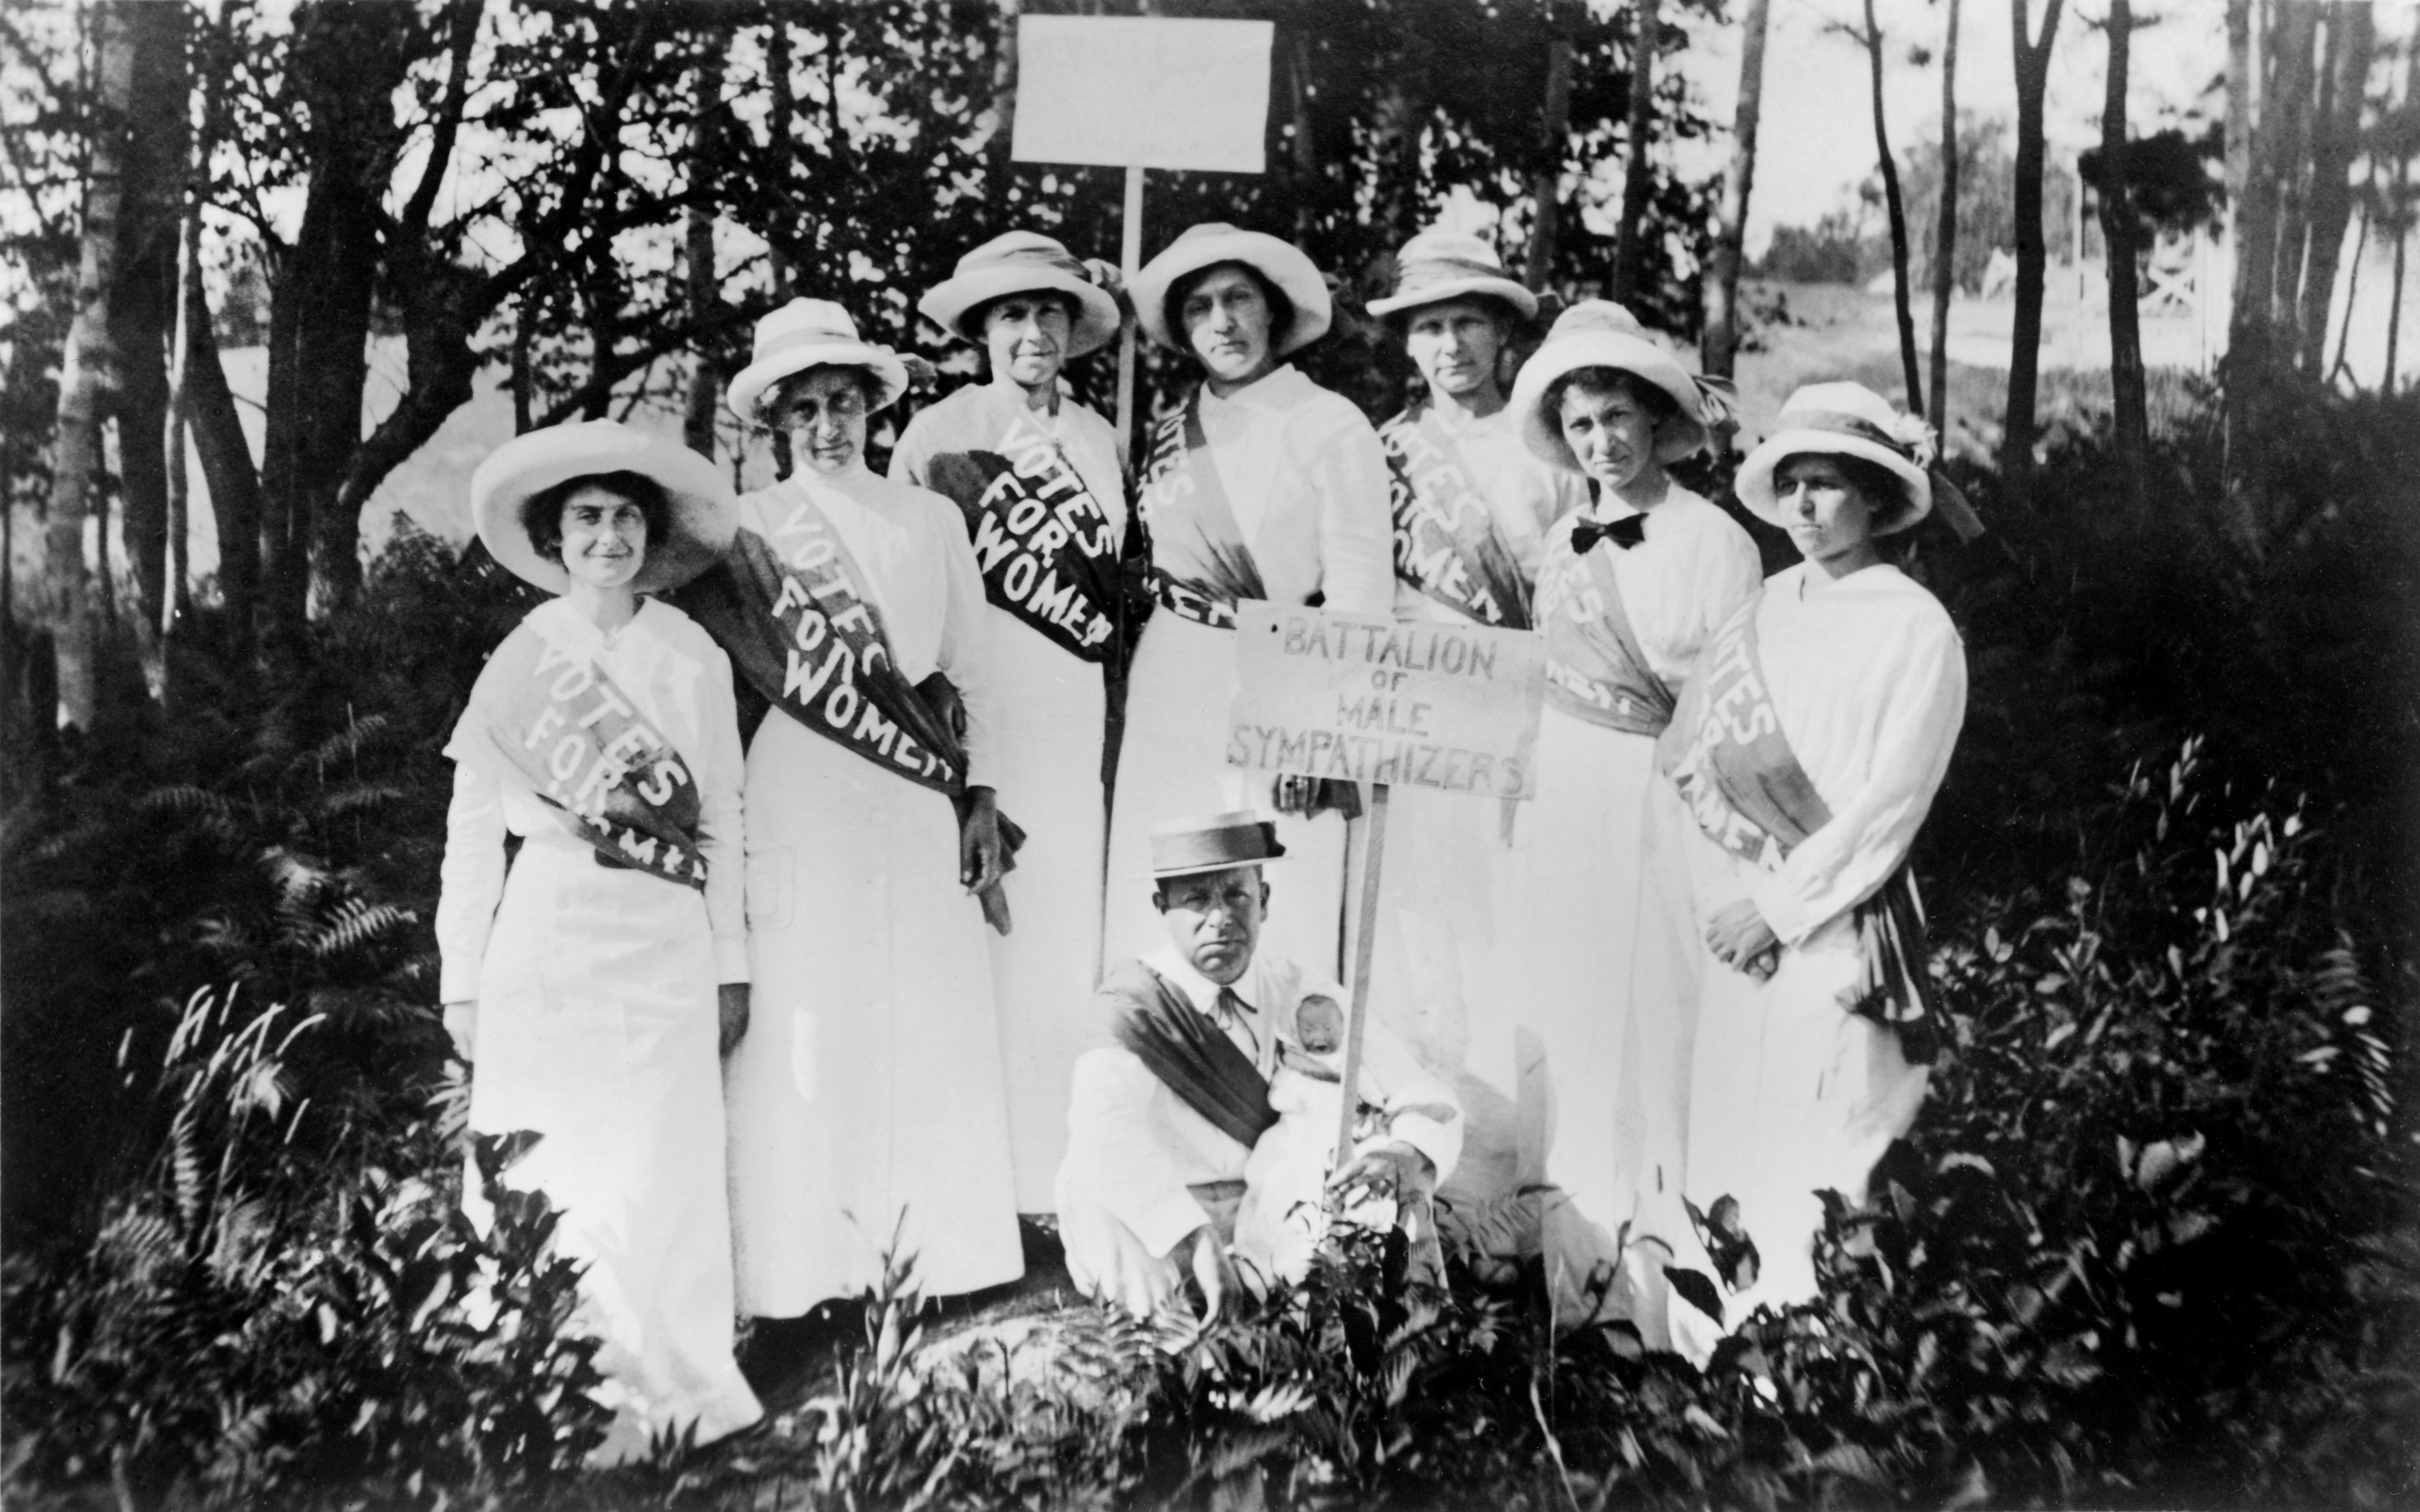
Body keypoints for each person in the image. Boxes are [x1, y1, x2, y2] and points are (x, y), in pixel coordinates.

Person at [436, 419, 761, 1463]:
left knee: (663, 1159)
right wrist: (462, 980)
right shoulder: (524, 659)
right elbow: (473, 833)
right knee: (548, 1157)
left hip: (664, 935)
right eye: (587, 517)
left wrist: (729, 961)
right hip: (551, 932)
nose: (609, 536)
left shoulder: (693, 653)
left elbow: (722, 819)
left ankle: (678, 1395)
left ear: (652, 534)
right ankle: (538, 1380)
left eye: (626, 516)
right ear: (554, 535)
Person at [691, 298, 1022, 1323]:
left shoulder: (929, 519)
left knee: (924, 1014)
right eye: (805, 411)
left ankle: (942, 1262)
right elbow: (714, 687)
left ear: (875, 406)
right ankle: (798, 1285)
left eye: (844, 404)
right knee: (810, 1025)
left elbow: (981, 671)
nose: (828, 427)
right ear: (776, 425)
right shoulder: (741, 531)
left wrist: (979, 793)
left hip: (916, 784)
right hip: (800, 785)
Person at [1660, 382, 1969, 1331]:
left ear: (1876, 497)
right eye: (1789, 483)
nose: (1802, 507)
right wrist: (1733, 906)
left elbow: (1889, 805)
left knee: (1828, 1139)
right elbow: (1702, 764)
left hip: (1839, 920)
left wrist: (1782, 909)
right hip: (1740, 922)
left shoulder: (1915, 625)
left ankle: (1816, 1360)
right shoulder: (1760, 608)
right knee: (1723, 1125)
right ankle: (1712, 1348)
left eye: (1827, 485)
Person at [1498, 302, 1763, 1348]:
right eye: (1581, 426)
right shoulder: (1563, 535)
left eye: (1619, 418)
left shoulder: (1719, 542)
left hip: (1663, 804)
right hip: (1567, 795)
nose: (1602, 443)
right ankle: (1574, 1280)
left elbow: (1732, 706)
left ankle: (1660, 1298)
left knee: (1655, 1027)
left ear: (1658, 422)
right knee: (1567, 1021)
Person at [889, 231, 1129, 1215]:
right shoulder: (938, 434)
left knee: (1067, 926)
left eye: (1050, 313)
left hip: (1074, 703)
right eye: (1012, 314)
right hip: (984, 711)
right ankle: (978, 1184)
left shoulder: (1102, 436)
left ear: (1075, 329)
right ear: (980, 327)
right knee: (989, 927)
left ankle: (1057, 1178)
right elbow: (908, 593)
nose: (1033, 333)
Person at [1359, 228, 1587, 1246]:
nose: (1450, 344)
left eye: (1469, 323)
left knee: (1512, 946)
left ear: (1505, 335)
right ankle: (1425, 1182)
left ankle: (1516, 1194)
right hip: (1414, 733)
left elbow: (1584, 601)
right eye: (1429, 327)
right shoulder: (1381, 451)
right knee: (1423, 949)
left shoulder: (1553, 456)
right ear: (1407, 345)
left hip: (1525, 731)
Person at [1101, 223, 1395, 981]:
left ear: (1273, 311)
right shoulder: (1171, 431)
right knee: (1164, 874)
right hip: (1172, 669)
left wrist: (1312, 728)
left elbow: (1361, 591)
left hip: (1281, 675)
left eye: (1238, 300)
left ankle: (1286, 1077)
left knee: (1280, 883)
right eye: (1199, 307)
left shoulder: (1329, 422)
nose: (1221, 322)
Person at [1056, 813, 1462, 1318]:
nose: (1221, 917)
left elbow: (1419, 1089)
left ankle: (1359, 1342)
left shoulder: (1300, 992)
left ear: (1264, 902)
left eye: (1237, 895)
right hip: (1165, 1217)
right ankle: (1172, 1347)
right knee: (1086, 1178)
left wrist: (1403, 1154)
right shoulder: (1134, 1003)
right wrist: (1193, 1236)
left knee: (1378, 1158)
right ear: (1163, 909)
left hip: (1271, 1211)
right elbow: (1104, 1135)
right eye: (1197, 899)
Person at [1231, 992, 1458, 1290]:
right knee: (1277, 1185)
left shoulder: (1350, 1064)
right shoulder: (1297, 1064)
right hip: (1300, 1133)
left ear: (1342, 1029)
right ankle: (1280, 1270)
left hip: (1338, 1135)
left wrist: (1374, 1113)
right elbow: (1279, 1097)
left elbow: (1373, 1096)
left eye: (1328, 1029)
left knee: (1350, 1192)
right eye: (1309, 1030)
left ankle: (1362, 1271)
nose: (1319, 1037)